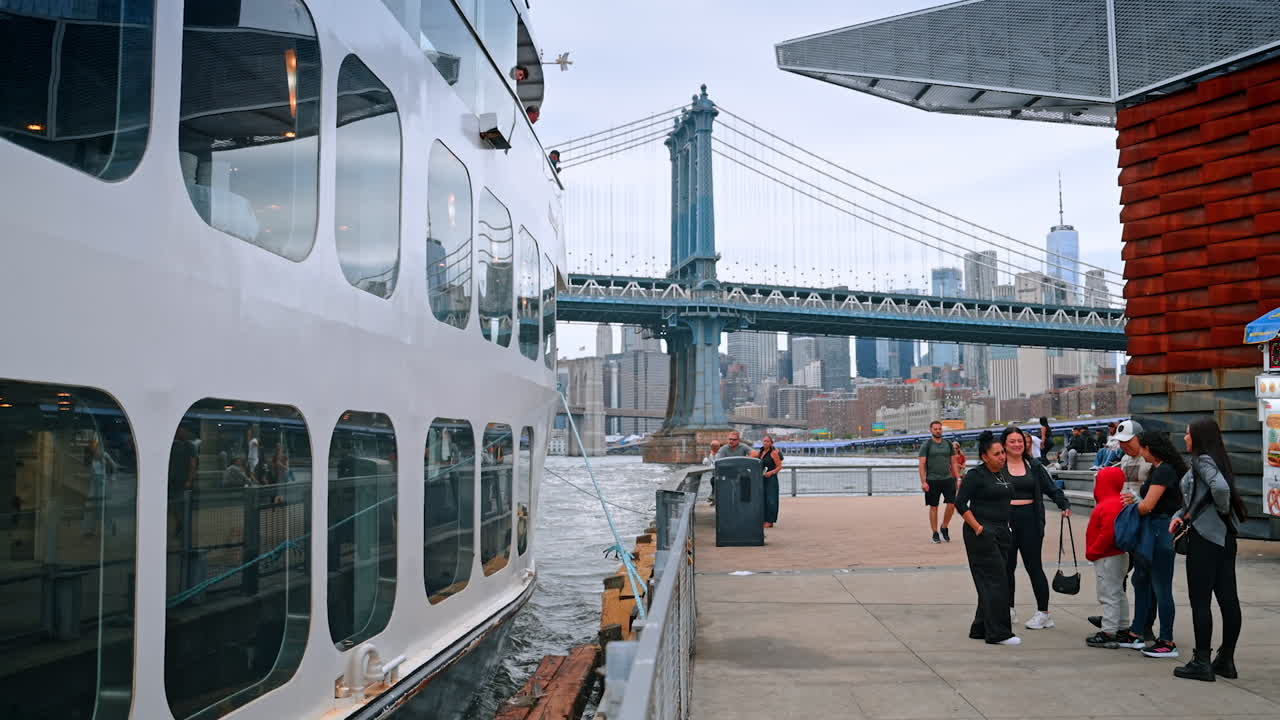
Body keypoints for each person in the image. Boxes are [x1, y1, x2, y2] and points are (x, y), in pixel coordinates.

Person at [1170, 418, 1248, 681]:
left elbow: (1220, 490)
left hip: (1205, 540)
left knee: (1200, 602)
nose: (1185, 438)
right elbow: (1199, 498)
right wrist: (1182, 513)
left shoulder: (1202, 461)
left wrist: (1220, 510)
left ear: (1199, 437)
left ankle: (1202, 661)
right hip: (1225, 539)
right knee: (1228, 599)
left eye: (1188, 433)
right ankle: (1226, 660)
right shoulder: (1217, 460)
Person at [1117, 430, 1185, 658]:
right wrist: (1139, 502)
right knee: (1141, 580)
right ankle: (1137, 631)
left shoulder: (1165, 470)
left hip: (1159, 532)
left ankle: (1167, 640)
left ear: (1150, 448)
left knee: (1161, 586)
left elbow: (1148, 506)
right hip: (1153, 530)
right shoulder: (1160, 468)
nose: (1141, 452)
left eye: (1143, 448)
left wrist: (1132, 507)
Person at [1001, 425, 1071, 630]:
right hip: (1005, 521)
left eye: (1020, 441)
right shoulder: (998, 465)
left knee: (1034, 567)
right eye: (1012, 441)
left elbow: (1051, 488)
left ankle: (1044, 613)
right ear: (1004, 444)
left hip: (1030, 520)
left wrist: (1064, 504)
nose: (1016, 445)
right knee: (1007, 567)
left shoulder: (1034, 466)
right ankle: (1008, 608)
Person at [956, 431, 1020, 646]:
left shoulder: (1002, 474)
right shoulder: (976, 475)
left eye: (1003, 452)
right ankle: (998, 633)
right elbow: (960, 503)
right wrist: (979, 528)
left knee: (992, 581)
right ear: (985, 457)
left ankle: (980, 628)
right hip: (981, 534)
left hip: (1002, 532)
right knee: (997, 583)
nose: (1002, 456)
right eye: (997, 454)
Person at [1085, 466, 1130, 648]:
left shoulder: (1108, 505)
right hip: (1118, 555)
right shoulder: (1118, 501)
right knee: (1118, 592)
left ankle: (1109, 631)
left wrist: (1093, 552)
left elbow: (1107, 533)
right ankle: (1123, 626)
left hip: (1107, 557)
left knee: (1109, 594)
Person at [918, 421, 959, 543]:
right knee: (934, 507)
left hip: (948, 479)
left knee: (952, 504)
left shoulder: (948, 444)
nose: (938, 431)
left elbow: (954, 462)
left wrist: (958, 478)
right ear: (931, 430)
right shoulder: (927, 445)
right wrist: (924, 482)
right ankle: (935, 533)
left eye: (940, 429)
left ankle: (944, 527)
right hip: (932, 480)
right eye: (935, 429)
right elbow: (921, 465)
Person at [80, 435, 116, 536]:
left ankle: (111, 526)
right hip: (94, 482)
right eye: (91, 445)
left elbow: (114, 466)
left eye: (94, 444)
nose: (92, 446)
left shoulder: (104, 455)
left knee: (104, 507)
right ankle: (88, 531)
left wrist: (112, 478)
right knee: (90, 506)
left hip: (102, 482)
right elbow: (86, 468)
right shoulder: (90, 457)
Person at [754, 435, 784, 528]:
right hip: (762, 478)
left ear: (771, 443)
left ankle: (770, 521)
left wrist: (771, 472)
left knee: (771, 500)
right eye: (764, 441)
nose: (765, 443)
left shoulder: (774, 453)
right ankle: (764, 519)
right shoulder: (761, 451)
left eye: (767, 441)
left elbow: (779, 466)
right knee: (763, 499)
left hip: (771, 479)